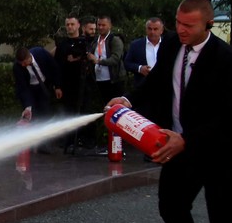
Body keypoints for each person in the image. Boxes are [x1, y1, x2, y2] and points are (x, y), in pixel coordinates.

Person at [106, 0, 232, 223]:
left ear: (207, 24)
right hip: (179, 146)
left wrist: (188, 139)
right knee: (170, 206)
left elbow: (228, 116)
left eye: (189, 25)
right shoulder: (172, 44)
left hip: (219, 152)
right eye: (178, 23)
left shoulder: (227, 60)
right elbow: (154, 82)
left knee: (224, 222)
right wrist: (127, 99)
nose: (181, 30)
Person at [13, 45, 61, 152]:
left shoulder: (41, 53)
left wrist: (57, 86)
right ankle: (29, 144)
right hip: (30, 89)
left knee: (45, 114)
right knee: (31, 117)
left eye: (24, 62)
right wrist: (28, 107)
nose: (23, 65)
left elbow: (54, 68)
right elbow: (22, 88)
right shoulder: (17, 67)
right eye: (21, 63)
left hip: (43, 86)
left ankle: (43, 145)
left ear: (29, 57)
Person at [88, 15, 125, 153]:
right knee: (106, 111)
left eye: (103, 25)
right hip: (99, 80)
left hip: (114, 80)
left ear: (109, 26)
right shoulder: (95, 41)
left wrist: (98, 61)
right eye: (99, 25)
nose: (101, 27)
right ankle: (109, 142)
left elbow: (115, 59)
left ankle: (119, 143)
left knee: (117, 111)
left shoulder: (115, 40)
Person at [54, 16, 90, 153]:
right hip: (67, 86)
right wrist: (57, 86)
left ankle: (84, 139)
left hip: (84, 84)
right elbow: (57, 67)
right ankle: (68, 141)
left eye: (72, 24)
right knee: (68, 113)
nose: (70, 27)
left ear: (78, 25)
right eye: (67, 24)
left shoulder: (86, 42)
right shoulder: (62, 45)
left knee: (84, 111)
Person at [124, 16, 165, 90]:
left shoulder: (167, 44)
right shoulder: (136, 45)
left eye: (155, 29)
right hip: (143, 87)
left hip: (163, 86)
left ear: (161, 30)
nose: (152, 32)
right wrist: (140, 68)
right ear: (146, 30)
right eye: (150, 29)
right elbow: (127, 63)